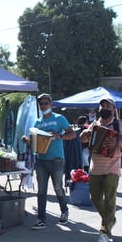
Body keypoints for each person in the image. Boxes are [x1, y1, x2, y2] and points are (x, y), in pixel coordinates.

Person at [80, 98, 122, 242]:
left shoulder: (121, 125)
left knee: (110, 201)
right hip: (95, 168)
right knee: (95, 199)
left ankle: (105, 231)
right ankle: (110, 219)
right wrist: (85, 134)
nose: (104, 108)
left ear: (114, 109)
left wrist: (117, 142)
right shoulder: (94, 124)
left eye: (108, 106)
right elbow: (83, 139)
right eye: (102, 105)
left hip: (112, 167)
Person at [22, 93, 76, 230]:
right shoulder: (37, 122)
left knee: (58, 187)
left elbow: (73, 134)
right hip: (41, 160)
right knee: (41, 190)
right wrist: (27, 141)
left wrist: (59, 136)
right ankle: (41, 219)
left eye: (46, 103)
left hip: (57, 160)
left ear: (51, 104)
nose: (44, 106)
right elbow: (34, 143)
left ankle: (64, 211)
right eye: (41, 104)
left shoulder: (59, 118)